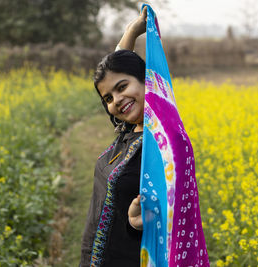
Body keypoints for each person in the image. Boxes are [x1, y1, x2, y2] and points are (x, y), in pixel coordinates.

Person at [80, 6, 148, 267]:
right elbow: (120, 63)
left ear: (147, 80)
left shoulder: (161, 145)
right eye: (108, 98)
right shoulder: (129, 130)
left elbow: (170, 219)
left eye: (122, 88)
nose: (117, 101)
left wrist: (137, 223)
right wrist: (133, 29)